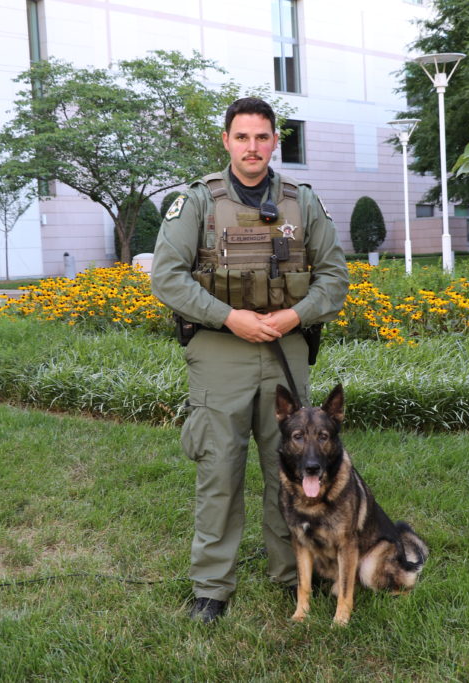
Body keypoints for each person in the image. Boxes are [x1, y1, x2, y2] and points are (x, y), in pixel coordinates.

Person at [150, 97, 348, 624]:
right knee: (220, 470)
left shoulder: (301, 202)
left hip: (285, 350)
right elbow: (166, 276)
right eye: (242, 137)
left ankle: (292, 575)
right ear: (226, 141)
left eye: (262, 137)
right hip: (221, 351)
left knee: (293, 470)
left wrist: (294, 315)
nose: (252, 147)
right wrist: (227, 316)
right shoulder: (195, 202)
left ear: (274, 142)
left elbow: (335, 277)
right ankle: (212, 587)